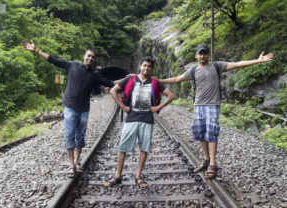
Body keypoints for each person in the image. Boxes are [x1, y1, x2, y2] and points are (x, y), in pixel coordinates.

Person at [159, 44, 273, 179]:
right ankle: (206, 159)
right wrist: (154, 80)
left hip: (212, 105)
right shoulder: (193, 70)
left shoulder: (217, 66)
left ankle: (213, 164)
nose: (202, 56)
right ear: (196, 56)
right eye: (200, 54)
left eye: (205, 53)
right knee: (201, 134)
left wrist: (258, 60)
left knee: (211, 134)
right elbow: (176, 79)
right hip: (198, 106)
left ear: (208, 55)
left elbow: (237, 64)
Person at [22, 40, 118, 178]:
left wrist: (127, 79)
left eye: (93, 57)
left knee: (80, 136)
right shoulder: (72, 65)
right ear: (84, 56)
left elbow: (110, 83)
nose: (90, 58)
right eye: (88, 56)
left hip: (84, 109)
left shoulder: (95, 74)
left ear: (94, 59)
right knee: (69, 135)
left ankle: (78, 162)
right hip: (70, 107)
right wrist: (37, 51)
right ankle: (72, 165)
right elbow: (54, 60)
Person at [104, 56, 174, 188]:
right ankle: (118, 176)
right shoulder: (130, 79)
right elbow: (113, 91)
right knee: (122, 147)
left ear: (152, 69)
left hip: (147, 119)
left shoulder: (155, 82)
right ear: (140, 67)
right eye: (145, 65)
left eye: (149, 66)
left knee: (144, 148)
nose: (147, 68)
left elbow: (171, 96)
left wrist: (158, 108)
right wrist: (123, 106)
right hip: (131, 118)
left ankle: (138, 176)